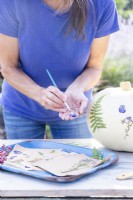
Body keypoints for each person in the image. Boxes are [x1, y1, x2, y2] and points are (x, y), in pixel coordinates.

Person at [0, 0, 119, 139]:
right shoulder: (10, 2)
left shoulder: (102, 4)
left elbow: (94, 67)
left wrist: (77, 89)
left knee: (78, 160)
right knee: (24, 160)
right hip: (21, 105)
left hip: (74, 107)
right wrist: (40, 94)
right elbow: (8, 67)